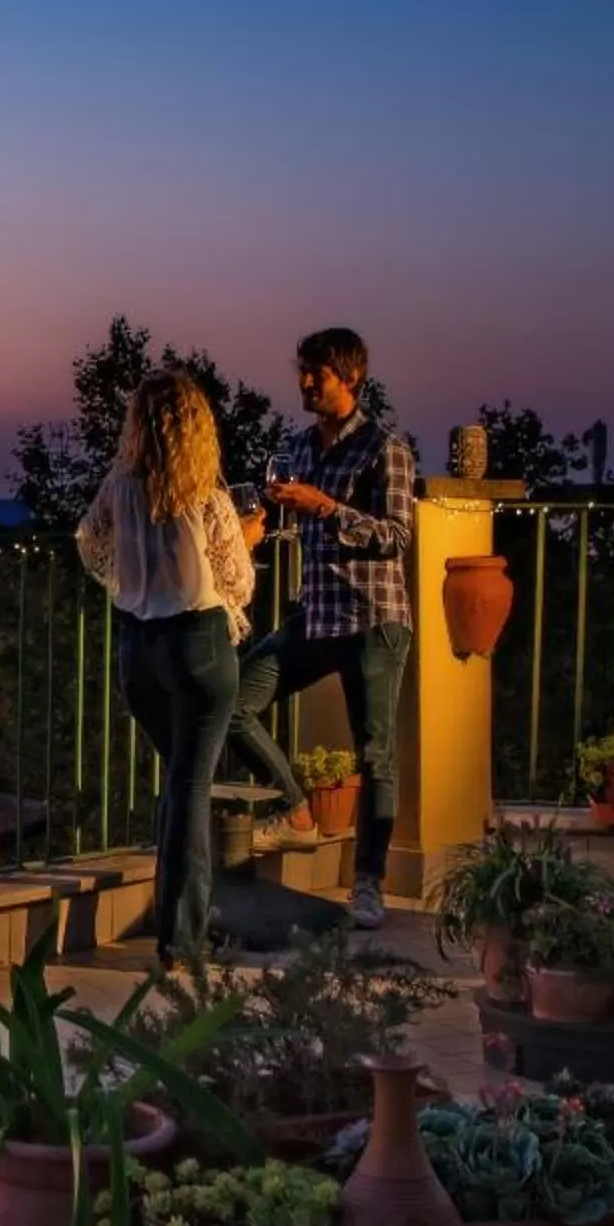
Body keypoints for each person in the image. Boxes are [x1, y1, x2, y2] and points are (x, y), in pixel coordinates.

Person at [229, 327, 416, 928]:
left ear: (351, 377)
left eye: (319, 373)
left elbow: (397, 536)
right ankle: (296, 810)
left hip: (372, 619)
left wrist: (327, 509)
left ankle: (368, 885)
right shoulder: (298, 448)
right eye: (303, 371)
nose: (306, 382)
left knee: (375, 755)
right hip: (315, 615)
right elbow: (283, 509)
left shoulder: (385, 449)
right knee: (233, 701)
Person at [76, 370, 263, 965]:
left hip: (139, 650)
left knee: (182, 784)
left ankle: (186, 921)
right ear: (196, 427)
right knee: (190, 786)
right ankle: (182, 939)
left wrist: (129, 580)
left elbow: (88, 542)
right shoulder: (205, 493)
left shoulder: (119, 488)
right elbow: (239, 582)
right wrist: (246, 540)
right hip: (198, 644)